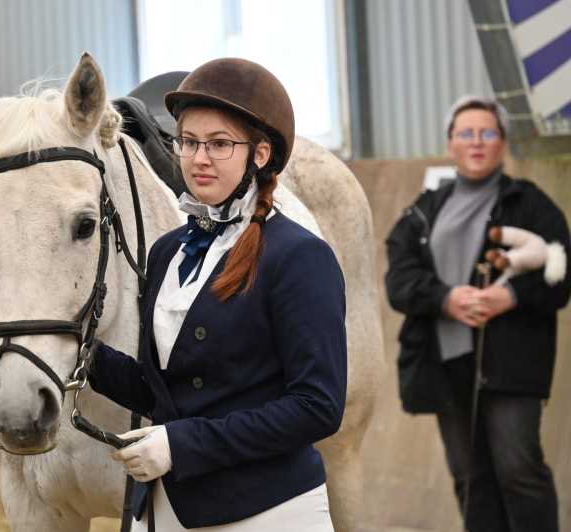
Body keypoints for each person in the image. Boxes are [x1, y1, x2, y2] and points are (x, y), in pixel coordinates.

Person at [89, 57, 347, 531]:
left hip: (267, 511)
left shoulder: (300, 257)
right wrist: (83, 352)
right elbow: (166, 392)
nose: (198, 158)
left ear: (261, 154)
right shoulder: (167, 252)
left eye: (220, 144)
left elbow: (317, 407)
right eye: (188, 142)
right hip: (166, 508)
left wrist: (181, 445)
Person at [385, 95, 571, 532]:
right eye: (465, 133)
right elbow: (400, 280)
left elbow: (563, 272)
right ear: (450, 142)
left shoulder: (529, 203)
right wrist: (445, 298)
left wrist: (513, 295)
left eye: (487, 132)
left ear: (502, 141)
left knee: (519, 470)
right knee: (470, 478)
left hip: (511, 364)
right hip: (446, 362)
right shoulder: (425, 209)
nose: (476, 142)